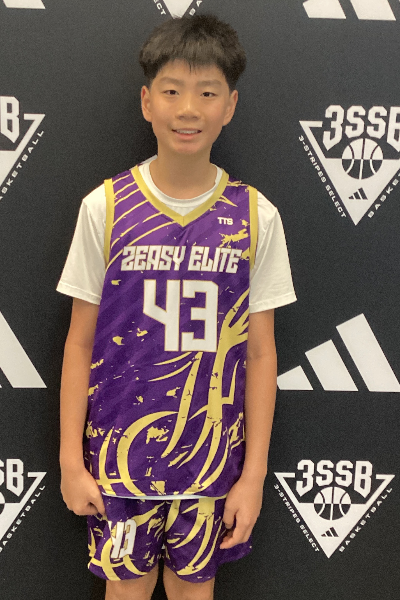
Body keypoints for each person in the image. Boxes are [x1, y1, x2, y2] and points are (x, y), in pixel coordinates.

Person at [57, 13, 296, 600]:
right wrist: (69, 460)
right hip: (120, 463)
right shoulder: (105, 207)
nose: (188, 109)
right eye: (171, 91)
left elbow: (261, 354)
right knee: (125, 592)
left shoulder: (256, 217)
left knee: (195, 591)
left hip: (212, 467)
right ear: (147, 102)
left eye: (207, 93)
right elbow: (80, 343)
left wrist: (254, 474)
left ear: (230, 106)